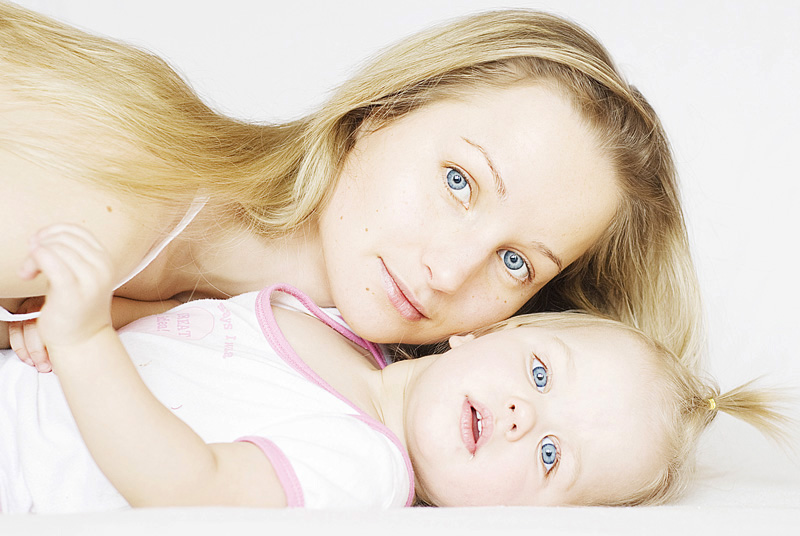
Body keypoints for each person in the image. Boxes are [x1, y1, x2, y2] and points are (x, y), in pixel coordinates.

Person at [0, 2, 703, 370]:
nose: (449, 273)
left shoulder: (246, 348)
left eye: (516, 262)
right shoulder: (112, 181)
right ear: (381, 110)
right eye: (459, 182)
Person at [0, 224, 786, 512]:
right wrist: (77, 323)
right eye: (542, 376)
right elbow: (185, 335)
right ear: (483, 332)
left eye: (552, 456)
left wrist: (86, 343)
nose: (524, 416)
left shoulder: (366, 468)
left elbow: (191, 489)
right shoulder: (338, 324)